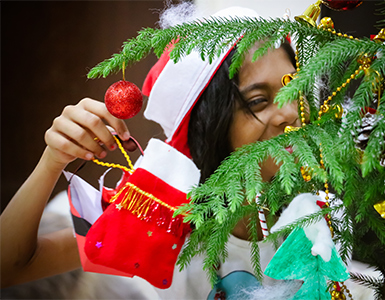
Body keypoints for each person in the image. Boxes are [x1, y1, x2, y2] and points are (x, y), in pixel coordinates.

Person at [0, 6, 303, 299]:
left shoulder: (320, 202)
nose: (290, 113)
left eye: (294, 87)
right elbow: (10, 268)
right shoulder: (163, 216)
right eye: (258, 101)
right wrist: (53, 160)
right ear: (209, 120)